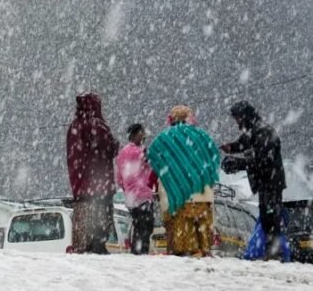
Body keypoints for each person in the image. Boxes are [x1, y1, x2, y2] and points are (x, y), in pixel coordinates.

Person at [221, 100, 286, 260]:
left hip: (271, 183)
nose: (237, 122)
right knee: (266, 219)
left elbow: (262, 160)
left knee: (271, 219)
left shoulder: (263, 131)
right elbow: (243, 144)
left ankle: (275, 253)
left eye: (237, 118)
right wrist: (230, 148)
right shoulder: (254, 130)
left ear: (245, 116)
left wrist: (238, 163)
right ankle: (272, 252)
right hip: (266, 183)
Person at [150, 105, 217, 257]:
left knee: (181, 245)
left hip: (176, 196)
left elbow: (154, 159)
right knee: (203, 242)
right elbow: (212, 160)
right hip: (202, 193)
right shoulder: (202, 136)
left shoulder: (165, 139)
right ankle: (202, 259)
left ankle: (186, 258)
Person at [66, 93, 119, 254]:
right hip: (99, 182)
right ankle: (98, 244)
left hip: (80, 184)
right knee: (101, 215)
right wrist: (115, 144)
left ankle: (83, 245)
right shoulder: (96, 125)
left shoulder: (74, 126)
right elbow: (109, 148)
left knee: (83, 215)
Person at [115, 124, 157, 255]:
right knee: (146, 227)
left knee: (138, 226)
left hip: (131, 197)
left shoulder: (121, 154)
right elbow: (152, 163)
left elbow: (119, 178)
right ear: (133, 135)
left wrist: (127, 189)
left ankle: (137, 252)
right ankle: (141, 253)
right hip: (143, 195)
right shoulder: (140, 152)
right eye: (140, 133)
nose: (143, 136)